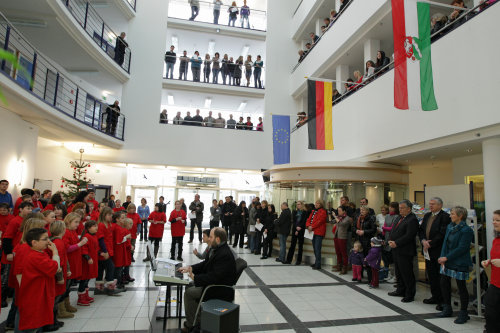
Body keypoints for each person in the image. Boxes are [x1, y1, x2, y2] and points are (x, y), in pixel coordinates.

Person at [178, 228, 236, 332]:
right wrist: (190, 268)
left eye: (211, 237)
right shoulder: (217, 249)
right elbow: (205, 264)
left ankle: (192, 324)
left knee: (189, 293)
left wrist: (195, 278)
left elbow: (214, 277)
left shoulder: (224, 254)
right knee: (189, 286)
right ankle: (198, 319)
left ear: (217, 239)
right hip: (213, 284)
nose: (209, 239)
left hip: (217, 289)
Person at [17, 228, 60, 332]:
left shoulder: (40, 253)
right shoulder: (35, 256)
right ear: (34, 242)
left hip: (37, 292)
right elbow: (55, 267)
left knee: (38, 322)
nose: (49, 242)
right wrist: (55, 252)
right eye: (45, 239)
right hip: (35, 295)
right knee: (33, 325)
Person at [437, 206, 473, 324]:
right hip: (447, 260)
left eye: (452, 214)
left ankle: (463, 313)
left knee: (461, 287)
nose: (450, 215)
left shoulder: (466, 230)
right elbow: (445, 244)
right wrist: (442, 257)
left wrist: (447, 257)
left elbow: (462, 248)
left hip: (459, 261)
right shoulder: (450, 226)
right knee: (444, 283)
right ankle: (447, 307)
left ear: (460, 216)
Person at [419, 197, 451, 310]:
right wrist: (423, 241)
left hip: (438, 250)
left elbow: (442, 233)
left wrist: (430, 243)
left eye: (433, 204)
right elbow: (421, 230)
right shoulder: (427, 215)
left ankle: (443, 300)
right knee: (431, 274)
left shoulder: (445, 217)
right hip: (427, 250)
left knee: (440, 276)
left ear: (440, 205)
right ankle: (435, 296)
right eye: (430, 204)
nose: (431, 206)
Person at [388, 200, 419, 303]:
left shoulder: (412, 219)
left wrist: (397, 242)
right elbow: (394, 230)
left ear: (409, 209)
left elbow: (409, 235)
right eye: (400, 208)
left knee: (407, 273)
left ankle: (410, 294)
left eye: (402, 208)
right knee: (399, 271)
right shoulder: (399, 217)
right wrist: (391, 241)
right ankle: (400, 290)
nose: (400, 210)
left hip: (405, 250)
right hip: (396, 249)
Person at [482, 209, 500, 333]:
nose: (494, 222)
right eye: (493, 220)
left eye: (498, 220)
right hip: (495, 283)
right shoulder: (496, 240)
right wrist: (489, 261)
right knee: (490, 314)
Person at [95, 207, 118, 295]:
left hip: (108, 249)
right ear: (104, 215)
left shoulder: (109, 224)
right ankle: (110, 287)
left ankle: (99, 288)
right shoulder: (101, 225)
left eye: (111, 215)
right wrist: (105, 251)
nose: (111, 216)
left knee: (101, 268)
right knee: (111, 267)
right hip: (104, 251)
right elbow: (101, 239)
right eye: (109, 215)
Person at [77, 220, 98, 306]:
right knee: (84, 279)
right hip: (86, 263)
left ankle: (86, 295)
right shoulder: (86, 237)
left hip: (92, 261)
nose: (96, 227)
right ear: (88, 228)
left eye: (96, 225)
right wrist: (88, 257)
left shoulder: (94, 236)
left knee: (88, 279)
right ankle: (81, 298)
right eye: (94, 226)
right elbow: (84, 249)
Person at [354, 206, 376, 281]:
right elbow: (353, 227)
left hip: (367, 241)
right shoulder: (358, 218)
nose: (361, 211)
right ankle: (360, 275)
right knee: (359, 259)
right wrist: (356, 231)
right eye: (361, 210)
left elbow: (373, 230)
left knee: (367, 259)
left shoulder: (370, 219)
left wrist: (364, 232)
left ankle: (370, 278)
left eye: (363, 210)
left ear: (367, 211)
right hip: (359, 240)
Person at [307, 199, 327, 270]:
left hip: (319, 232)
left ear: (321, 204)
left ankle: (318, 264)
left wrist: (312, 226)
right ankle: (316, 262)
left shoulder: (323, 212)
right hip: (313, 232)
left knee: (317, 248)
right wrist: (308, 225)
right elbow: (308, 219)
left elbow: (319, 221)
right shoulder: (313, 211)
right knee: (315, 249)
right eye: (315, 203)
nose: (316, 204)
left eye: (318, 203)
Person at [285, 200, 307, 265]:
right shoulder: (294, 212)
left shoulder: (305, 212)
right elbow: (293, 221)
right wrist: (296, 227)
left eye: (299, 204)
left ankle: (299, 261)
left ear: (302, 205)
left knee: (300, 246)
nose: (298, 205)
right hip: (295, 230)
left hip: (301, 230)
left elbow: (304, 221)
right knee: (292, 245)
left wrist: (299, 227)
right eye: (297, 204)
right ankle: (289, 260)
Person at [382, 202, 400, 283]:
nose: (390, 208)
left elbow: (392, 228)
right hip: (386, 237)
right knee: (388, 258)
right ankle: (391, 274)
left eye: (391, 207)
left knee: (393, 260)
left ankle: (395, 276)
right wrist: (385, 229)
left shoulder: (397, 217)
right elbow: (385, 226)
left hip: (393, 238)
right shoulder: (388, 216)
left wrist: (384, 228)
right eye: (389, 207)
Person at [331, 206, 352, 274]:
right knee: (338, 252)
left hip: (342, 237)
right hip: (336, 236)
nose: (338, 212)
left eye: (340, 211)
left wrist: (335, 217)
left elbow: (341, 224)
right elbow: (331, 221)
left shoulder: (347, 218)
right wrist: (331, 215)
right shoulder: (339, 217)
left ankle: (344, 268)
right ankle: (339, 266)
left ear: (344, 211)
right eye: (338, 210)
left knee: (344, 253)